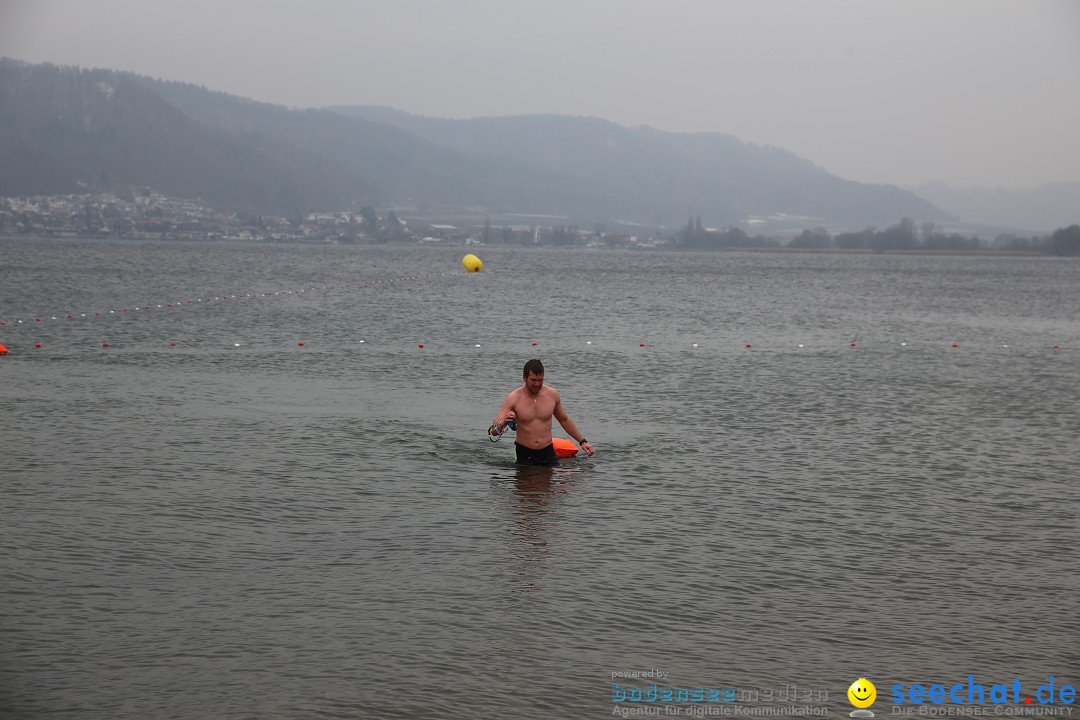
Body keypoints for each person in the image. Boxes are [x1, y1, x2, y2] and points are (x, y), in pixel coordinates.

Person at [490, 359, 596, 466]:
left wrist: (582, 442)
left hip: (547, 452)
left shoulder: (552, 394)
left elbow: (564, 420)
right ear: (524, 377)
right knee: (525, 482)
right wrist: (503, 423)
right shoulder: (513, 398)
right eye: (533, 380)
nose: (537, 384)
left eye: (540, 380)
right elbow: (493, 432)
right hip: (524, 453)